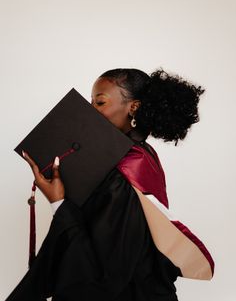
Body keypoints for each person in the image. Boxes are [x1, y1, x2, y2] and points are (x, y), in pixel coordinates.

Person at [6, 68, 208, 301]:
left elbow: (104, 271)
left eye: (100, 103)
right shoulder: (141, 154)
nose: (90, 112)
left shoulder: (123, 172)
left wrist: (58, 203)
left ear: (133, 107)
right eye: (90, 102)